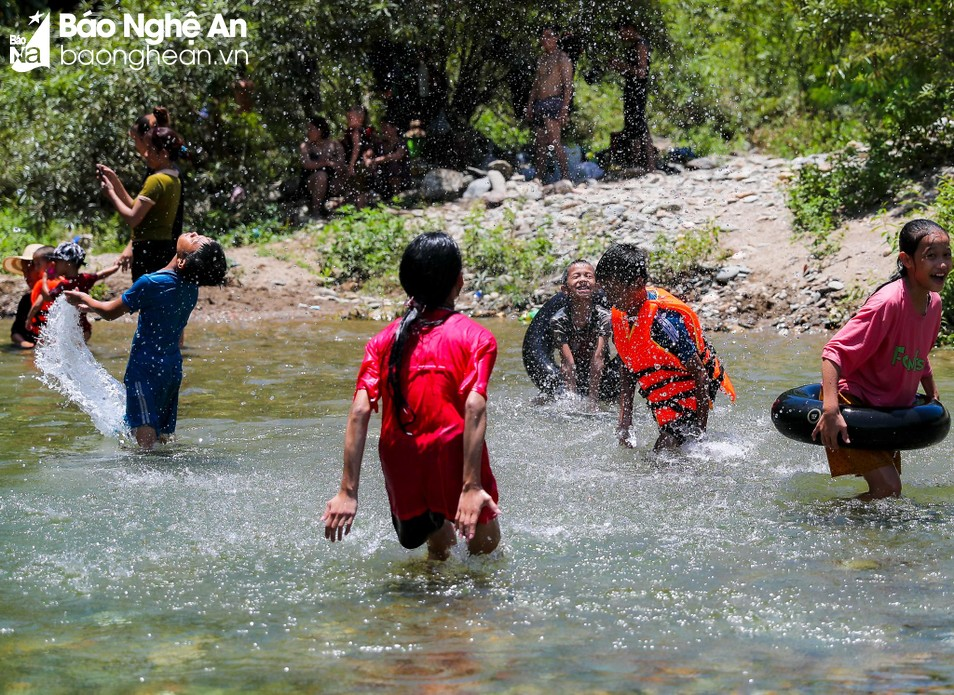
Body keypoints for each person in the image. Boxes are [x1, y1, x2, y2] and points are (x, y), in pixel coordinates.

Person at [323, 232, 501, 560]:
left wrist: (347, 491)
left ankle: (423, 608)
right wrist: (471, 486)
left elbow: (360, 411)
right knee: (485, 559)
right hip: (452, 454)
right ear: (459, 281)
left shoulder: (382, 340)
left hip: (400, 457)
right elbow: (474, 405)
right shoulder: (476, 337)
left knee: (436, 554)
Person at [812, 219, 951, 500]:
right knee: (888, 489)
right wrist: (830, 410)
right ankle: (818, 520)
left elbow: (917, 352)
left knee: (886, 495)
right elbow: (833, 352)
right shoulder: (888, 302)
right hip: (856, 407)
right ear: (906, 260)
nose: (942, 265)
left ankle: (833, 520)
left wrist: (931, 389)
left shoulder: (933, 303)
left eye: (947, 254)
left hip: (887, 412)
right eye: (931, 256)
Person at [64, 232, 227, 450]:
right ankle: (166, 461)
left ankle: (145, 469)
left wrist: (84, 298)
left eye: (196, 241)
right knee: (164, 430)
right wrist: (93, 306)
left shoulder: (150, 283)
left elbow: (111, 313)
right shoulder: (190, 288)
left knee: (144, 430)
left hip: (145, 367)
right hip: (172, 367)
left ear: (182, 261)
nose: (195, 234)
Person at [595, 243, 736, 450]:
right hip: (662, 391)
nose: (610, 298)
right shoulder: (621, 317)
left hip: (690, 386)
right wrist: (625, 422)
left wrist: (700, 433)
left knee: (663, 454)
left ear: (638, 283)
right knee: (666, 450)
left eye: (614, 290)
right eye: (606, 290)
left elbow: (700, 374)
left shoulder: (663, 321)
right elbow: (627, 368)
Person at [98, 123, 185, 281]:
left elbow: (133, 218)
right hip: (163, 248)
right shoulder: (174, 179)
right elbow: (135, 206)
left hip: (148, 249)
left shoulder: (156, 180)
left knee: (143, 298)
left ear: (163, 153)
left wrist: (110, 194)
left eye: (150, 150)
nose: (145, 154)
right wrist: (115, 181)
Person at [549, 260, 614, 406]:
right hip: (574, 371)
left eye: (588, 276)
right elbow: (567, 362)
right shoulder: (559, 319)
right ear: (565, 289)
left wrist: (593, 401)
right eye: (576, 276)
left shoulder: (604, 317)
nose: (583, 280)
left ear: (597, 287)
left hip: (600, 372)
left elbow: (599, 357)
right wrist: (571, 401)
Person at [26, 241, 119, 342]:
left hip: (70, 330)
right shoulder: (85, 278)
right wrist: (116, 267)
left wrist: (45, 279)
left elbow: (47, 297)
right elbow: (101, 274)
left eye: (57, 261)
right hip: (84, 329)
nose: (54, 264)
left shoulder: (64, 285)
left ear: (67, 264)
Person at [525, 26, 574, 184]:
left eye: (548, 36)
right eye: (542, 36)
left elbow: (568, 85)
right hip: (540, 103)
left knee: (554, 140)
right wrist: (530, 105)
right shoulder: (542, 59)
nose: (544, 39)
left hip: (554, 102)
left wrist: (565, 109)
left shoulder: (562, 58)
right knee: (540, 142)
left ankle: (566, 176)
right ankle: (539, 177)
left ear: (556, 38)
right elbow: (536, 84)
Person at [609, 21, 656, 171]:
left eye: (622, 31)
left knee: (640, 125)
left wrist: (622, 65)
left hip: (638, 90)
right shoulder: (634, 45)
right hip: (632, 89)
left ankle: (650, 165)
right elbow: (632, 72)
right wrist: (619, 68)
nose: (620, 35)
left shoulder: (641, 44)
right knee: (632, 125)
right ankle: (636, 163)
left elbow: (641, 72)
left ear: (631, 28)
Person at [3, 243, 52, 348]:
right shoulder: (26, 300)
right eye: (24, 271)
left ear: (46, 268)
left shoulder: (60, 295)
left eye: (30, 270)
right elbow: (16, 332)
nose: (26, 276)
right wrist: (24, 344)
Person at [299, 116, 344, 217]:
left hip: (332, 183)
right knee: (321, 176)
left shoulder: (335, 145)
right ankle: (316, 211)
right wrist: (325, 163)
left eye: (311, 129)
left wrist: (335, 166)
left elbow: (341, 164)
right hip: (310, 183)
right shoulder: (306, 146)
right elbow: (306, 164)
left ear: (320, 130)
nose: (308, 132)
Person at [365, 120, 410, 200]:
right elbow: (367, 154)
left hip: (401, 178)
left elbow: (397, 156)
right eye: (382, 127)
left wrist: (376, 160)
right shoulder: (380, 143)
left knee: (394, 165)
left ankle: (397, 196)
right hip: (383, 178)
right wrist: (367, 160)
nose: (383, 130)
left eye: (386, 127)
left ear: (394, 129)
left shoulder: (401, 142)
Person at [341, 105, 375, 209]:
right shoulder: (363, 130)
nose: (348, 120)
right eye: (347, 118)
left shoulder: (356, 131)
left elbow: (356, 148)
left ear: (360, 118)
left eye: (350, 118)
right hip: (362, 162)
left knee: (359, 187)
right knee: (361, 187)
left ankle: (360, 209)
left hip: (358, 163)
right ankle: (362, 208)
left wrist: (351, 165)